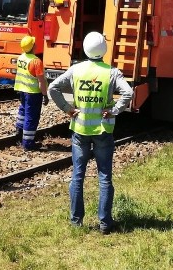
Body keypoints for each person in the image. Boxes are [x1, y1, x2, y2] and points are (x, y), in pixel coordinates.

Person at [48, 31, 133, 234]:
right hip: (103, 131)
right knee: (104, 177)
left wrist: (67, 108)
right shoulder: (111, 72)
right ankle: (105, 223)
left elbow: (53, 88)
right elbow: (128, 92)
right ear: (103, 49)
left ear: (85, 48)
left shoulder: (76, 70)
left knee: (78, 176)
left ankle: (76, 221)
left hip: (80, 130)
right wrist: (114, 110)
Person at [14, 35, 49, 151]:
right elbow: (41, 81)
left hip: (22, 90)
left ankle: (19, 133)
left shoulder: (21, 58)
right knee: (31, 116)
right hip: (33, 93)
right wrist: (45, 94)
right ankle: (28, 143)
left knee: (23, 112)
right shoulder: (36, 61)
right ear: (33, 46)